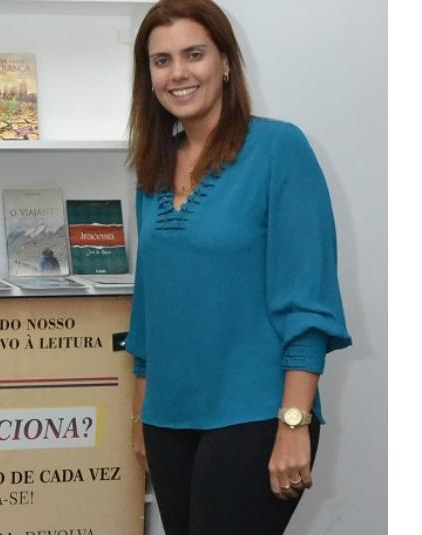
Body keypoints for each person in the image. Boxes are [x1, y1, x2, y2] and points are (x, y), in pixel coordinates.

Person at [123, 1, 351, 534]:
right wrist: (141, 414)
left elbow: (308, 298)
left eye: (194, 54)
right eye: (162, 61)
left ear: (225, 61)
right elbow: (150, 306)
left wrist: (294, 421)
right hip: (167, 418)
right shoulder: (153, 168)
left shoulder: (279, 149)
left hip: (256, 413)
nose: (178, 73)